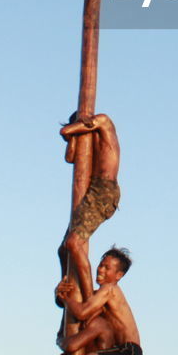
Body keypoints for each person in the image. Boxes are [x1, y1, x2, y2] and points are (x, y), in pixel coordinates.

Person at [55, 247, 142, 355]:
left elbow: (81, 312)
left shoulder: (110, 289)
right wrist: (60, 295)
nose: (100, 269)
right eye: (101, 265)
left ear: (119, 276)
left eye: (107, 267)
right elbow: (77, 302)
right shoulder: (100, 297)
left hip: (128, 354)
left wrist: (66, 299)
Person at [59, 112, 121, 300]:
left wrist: (70, 131)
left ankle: (88, 299)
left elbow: (65, 130)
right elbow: (70, 158)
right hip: (91, 193)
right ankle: (66, 286)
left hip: (103, 191)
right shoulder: (85, 138)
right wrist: (73, 138)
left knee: (74, 243)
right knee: (63, 249)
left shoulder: (103, 122)